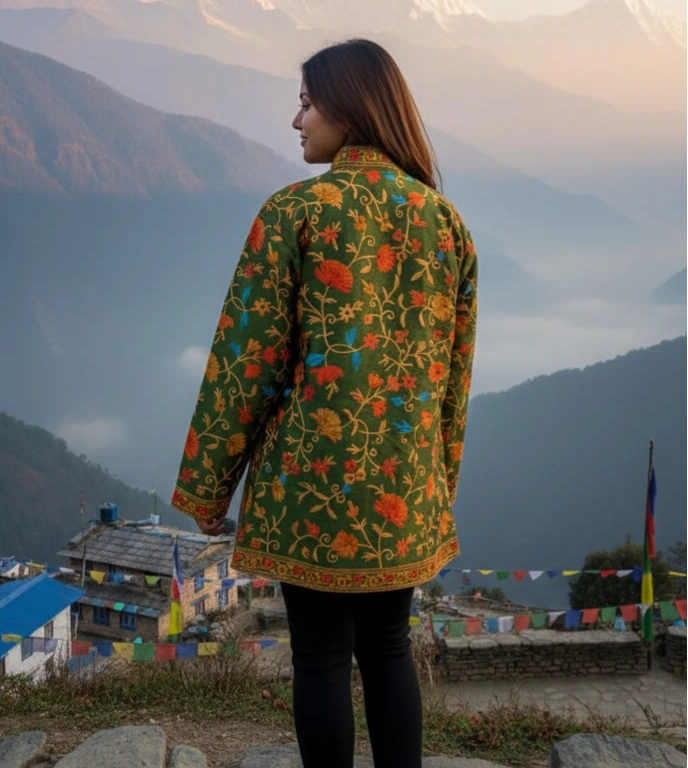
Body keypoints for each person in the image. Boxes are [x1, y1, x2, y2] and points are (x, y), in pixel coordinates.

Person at [171, 38, 477, 768]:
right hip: (403, 488)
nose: (296, 120)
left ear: (349, 106)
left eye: (307, 102)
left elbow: (245, 363)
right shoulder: (444, 222)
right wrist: (435, 485)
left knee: (319, 659)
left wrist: (209, 488)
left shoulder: (294, 213)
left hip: (309, 490)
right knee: (389, 649)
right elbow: (452, 379)